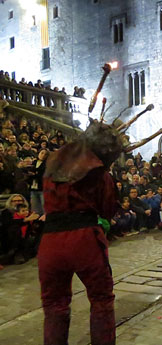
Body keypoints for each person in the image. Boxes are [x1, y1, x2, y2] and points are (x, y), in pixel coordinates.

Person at [37, 120, 126, 345]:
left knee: (54, 305)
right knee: (101, 301)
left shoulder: (54, 161)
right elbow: (108, 210)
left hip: (50, 242)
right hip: (83, 239)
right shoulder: (97, 171)